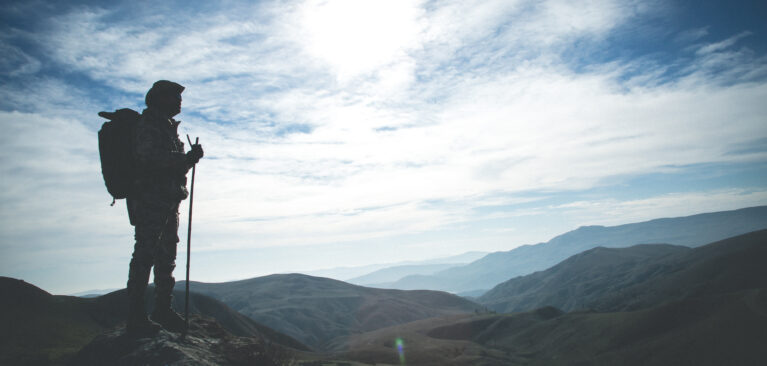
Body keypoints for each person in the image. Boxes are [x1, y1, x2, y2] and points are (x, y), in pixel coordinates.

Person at [125, 80, 204, 336]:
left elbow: (172, 165)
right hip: (151, 199)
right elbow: (150, 160)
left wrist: (188, 160)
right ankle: (136, 315)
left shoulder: (168, 128)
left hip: (168, 199)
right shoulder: (149, 125)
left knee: (166, 256)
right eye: (173, 96)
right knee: (146, 254)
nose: (179, 101)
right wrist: (187, 159)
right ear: (158, 98)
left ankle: (162, 309)